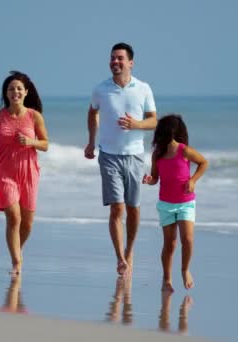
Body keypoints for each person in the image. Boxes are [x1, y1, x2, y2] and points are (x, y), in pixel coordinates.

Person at [84, 42, 157, 277]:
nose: (115, 62)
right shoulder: (100, 89)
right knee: (117, 208)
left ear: (131, 63)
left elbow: (154, 120)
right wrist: (91, 141)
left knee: (133, 209)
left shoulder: (143, 88)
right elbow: (92, 111)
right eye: (112, 58)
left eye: (120, 58)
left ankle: (130, 249)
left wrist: (137, 124)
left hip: (135, 155)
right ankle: (120, 258)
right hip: (108, 155)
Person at [0, 71, 49, 275]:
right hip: (4, 171)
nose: (15, 92)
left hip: (29, 172)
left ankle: (17, 249)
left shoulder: (34, 116)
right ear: (6, 93)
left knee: (27, 223)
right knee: (14, 217)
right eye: (11, 89)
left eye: (19, 88)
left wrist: (31, 142)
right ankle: (16, 262)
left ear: (26, 92)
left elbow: (45, 144)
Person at [143, 114, 208, 292]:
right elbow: (155, 178)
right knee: (170, 244)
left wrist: (193, 180)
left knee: (187, 239)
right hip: (166, 204)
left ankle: (185, 270)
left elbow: (203, 163)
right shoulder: (157, 155)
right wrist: (149, 180)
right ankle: (167, 278)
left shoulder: (184, 151)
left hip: (186, 202)